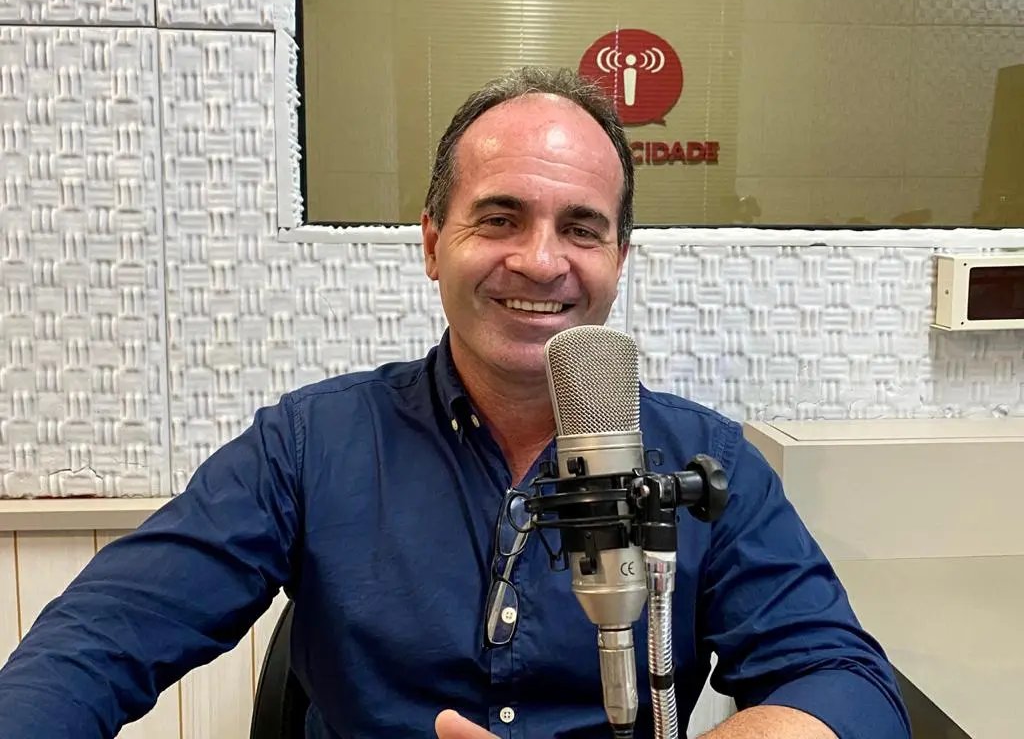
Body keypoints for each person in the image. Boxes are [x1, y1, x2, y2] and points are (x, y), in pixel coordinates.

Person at [0, 67, 909, 739]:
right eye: (500, 217)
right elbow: (97, 641)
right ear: (433, 242)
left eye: (581, 228)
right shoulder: (311, 445)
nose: (541, 261)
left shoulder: (707, 466)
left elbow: (849, 687)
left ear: (618, 261)